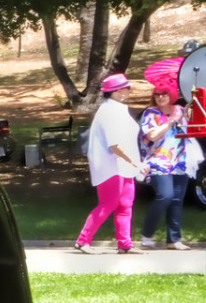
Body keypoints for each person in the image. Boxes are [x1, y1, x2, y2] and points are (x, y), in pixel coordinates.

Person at [75, 74, 149, 254]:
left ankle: (125, 244)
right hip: (110, 165)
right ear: (115, 92)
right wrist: (136, 163)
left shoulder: (119, 109)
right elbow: (114, 145)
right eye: (125, 88)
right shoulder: (108, 111)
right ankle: (83, 240)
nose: (128, 90)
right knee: (109, 203)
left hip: (124, 166)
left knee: (125, 204)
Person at [138, 84, 191, 250]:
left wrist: (192, 107)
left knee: (177, 200)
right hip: (157, 161)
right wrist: (171, 121)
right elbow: (153, 136)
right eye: (157, 94)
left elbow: (194, 126)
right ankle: (147, 234)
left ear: (172, 94)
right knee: (165, 195)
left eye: (164, 93)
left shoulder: (181, 109)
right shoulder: (150, 113)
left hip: (180, 161)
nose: (160, 96)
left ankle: (173, 240)